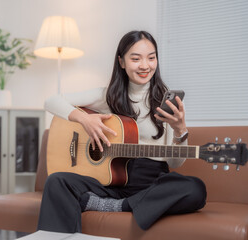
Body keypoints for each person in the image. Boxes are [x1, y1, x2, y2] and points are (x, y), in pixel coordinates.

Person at [37, 30, 206, 233]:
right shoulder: (108, 95)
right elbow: (51, 101)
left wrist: (180, 130)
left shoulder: (166, 100)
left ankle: (117, 206)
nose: (145, 65)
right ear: (122, 62)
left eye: (151, 58)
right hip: (110, 182)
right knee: (57, 181)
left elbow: (175, 163)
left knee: (195, 189)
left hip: (150, 184)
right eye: (136, 59)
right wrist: (84, 119)